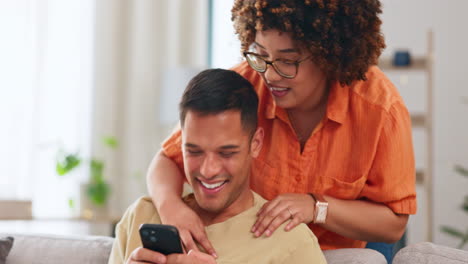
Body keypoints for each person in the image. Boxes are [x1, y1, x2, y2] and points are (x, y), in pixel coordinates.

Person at [147, 0, 417, 258]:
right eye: (261, 54)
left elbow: (393, 225)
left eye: (288, 61)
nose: (270, 75)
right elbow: (166, 159)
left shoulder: (381, 110)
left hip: (339, 252)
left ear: (330, 57)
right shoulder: (244, 86)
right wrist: (171, 207)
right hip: (258, 249)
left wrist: (316, 207)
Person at [108, 69, 327, 264]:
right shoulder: (141, 216)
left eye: (226, 153)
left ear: (255, 144)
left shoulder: (292, 243)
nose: (207, 170)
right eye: (194, 151)